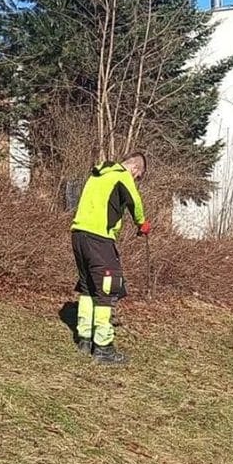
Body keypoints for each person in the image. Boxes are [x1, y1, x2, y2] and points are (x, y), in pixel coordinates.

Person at [70, 153, 150, 365]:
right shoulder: (122, 175)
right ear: (134, 169)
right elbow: (135, 202)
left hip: (78, 234)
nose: (136, 180)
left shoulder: (97, 174)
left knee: (88, 287)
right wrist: (142, 224)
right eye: (138, 177)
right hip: (99, 238)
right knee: (107, 287)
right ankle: (104, 348)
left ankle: (84, 339)